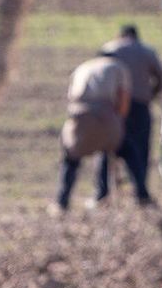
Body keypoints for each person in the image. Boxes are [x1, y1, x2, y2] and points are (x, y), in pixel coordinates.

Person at [98, 24, 162, 205]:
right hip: (139, 106)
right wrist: (151, 94)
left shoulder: (108, 50)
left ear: (120, 35)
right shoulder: (146, 51)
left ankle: (102, 192)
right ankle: (141, 193)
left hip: (113, 108)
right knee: (140, 150)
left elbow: (98, 75)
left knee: (108, 147)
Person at [51, 54, 130, 213]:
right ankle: (140, 195)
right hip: (105, 114)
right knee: (122, 148)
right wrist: (119, 122)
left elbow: (71, 96)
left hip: (79, 115)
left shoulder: (83, 67)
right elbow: (123, 99)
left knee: (71, 156)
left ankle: (61, 201)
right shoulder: (117, 66)